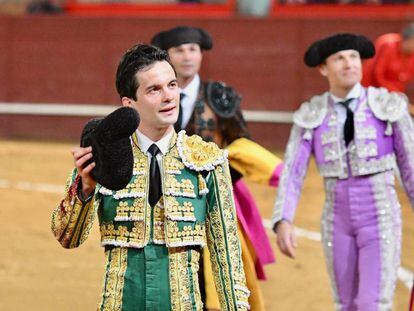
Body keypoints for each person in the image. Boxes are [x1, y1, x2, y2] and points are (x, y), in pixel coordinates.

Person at [50, 43, 250, 311]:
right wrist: (84, 189)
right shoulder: (104, 155)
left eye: (172, 85)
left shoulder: (207, 160)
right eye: (154, 90)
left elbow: (227, 255)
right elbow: (67, 237)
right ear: (128, 104)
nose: (169, 97)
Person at [272, 33, 414, 310]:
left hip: (380, 216)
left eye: (353, 57)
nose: (348, 64)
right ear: (324, 68)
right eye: (339, 59)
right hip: (337, 220)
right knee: (346, 303)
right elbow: (293, 171)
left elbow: (410, 165)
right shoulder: (312, 114)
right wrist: (284, 219)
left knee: (372, 303)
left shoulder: (387, 105)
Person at [151, 26, 283, 310]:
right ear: (168, 58)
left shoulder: (220, 96)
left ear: (201, 55)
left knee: (221, 270)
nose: (187, 56)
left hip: (213, 198)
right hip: (165, 199)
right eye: (179, 50)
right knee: (170, 268)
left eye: (193, 50)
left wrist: (219, 177)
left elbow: (241, 145)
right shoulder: (153, 96)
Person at [362, 23, 414, 93]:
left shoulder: (411, 55)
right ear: (410, 39)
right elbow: (377, 75)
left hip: (392, 94)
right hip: (369, 90)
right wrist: (394, 91)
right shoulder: (388, 44)